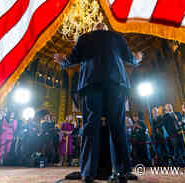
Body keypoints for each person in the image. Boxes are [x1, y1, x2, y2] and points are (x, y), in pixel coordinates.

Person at [54, 22, 142, 183]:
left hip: (91, 84)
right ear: (102, 28)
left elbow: (71, 59)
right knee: (117, 127)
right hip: (115, 84)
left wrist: (63, 61)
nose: (100, 24)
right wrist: (137, 59)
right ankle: (121, 171)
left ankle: (88, 173)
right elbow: (130, 58)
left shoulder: (85, 38)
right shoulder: (116, 36)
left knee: (91, 127)